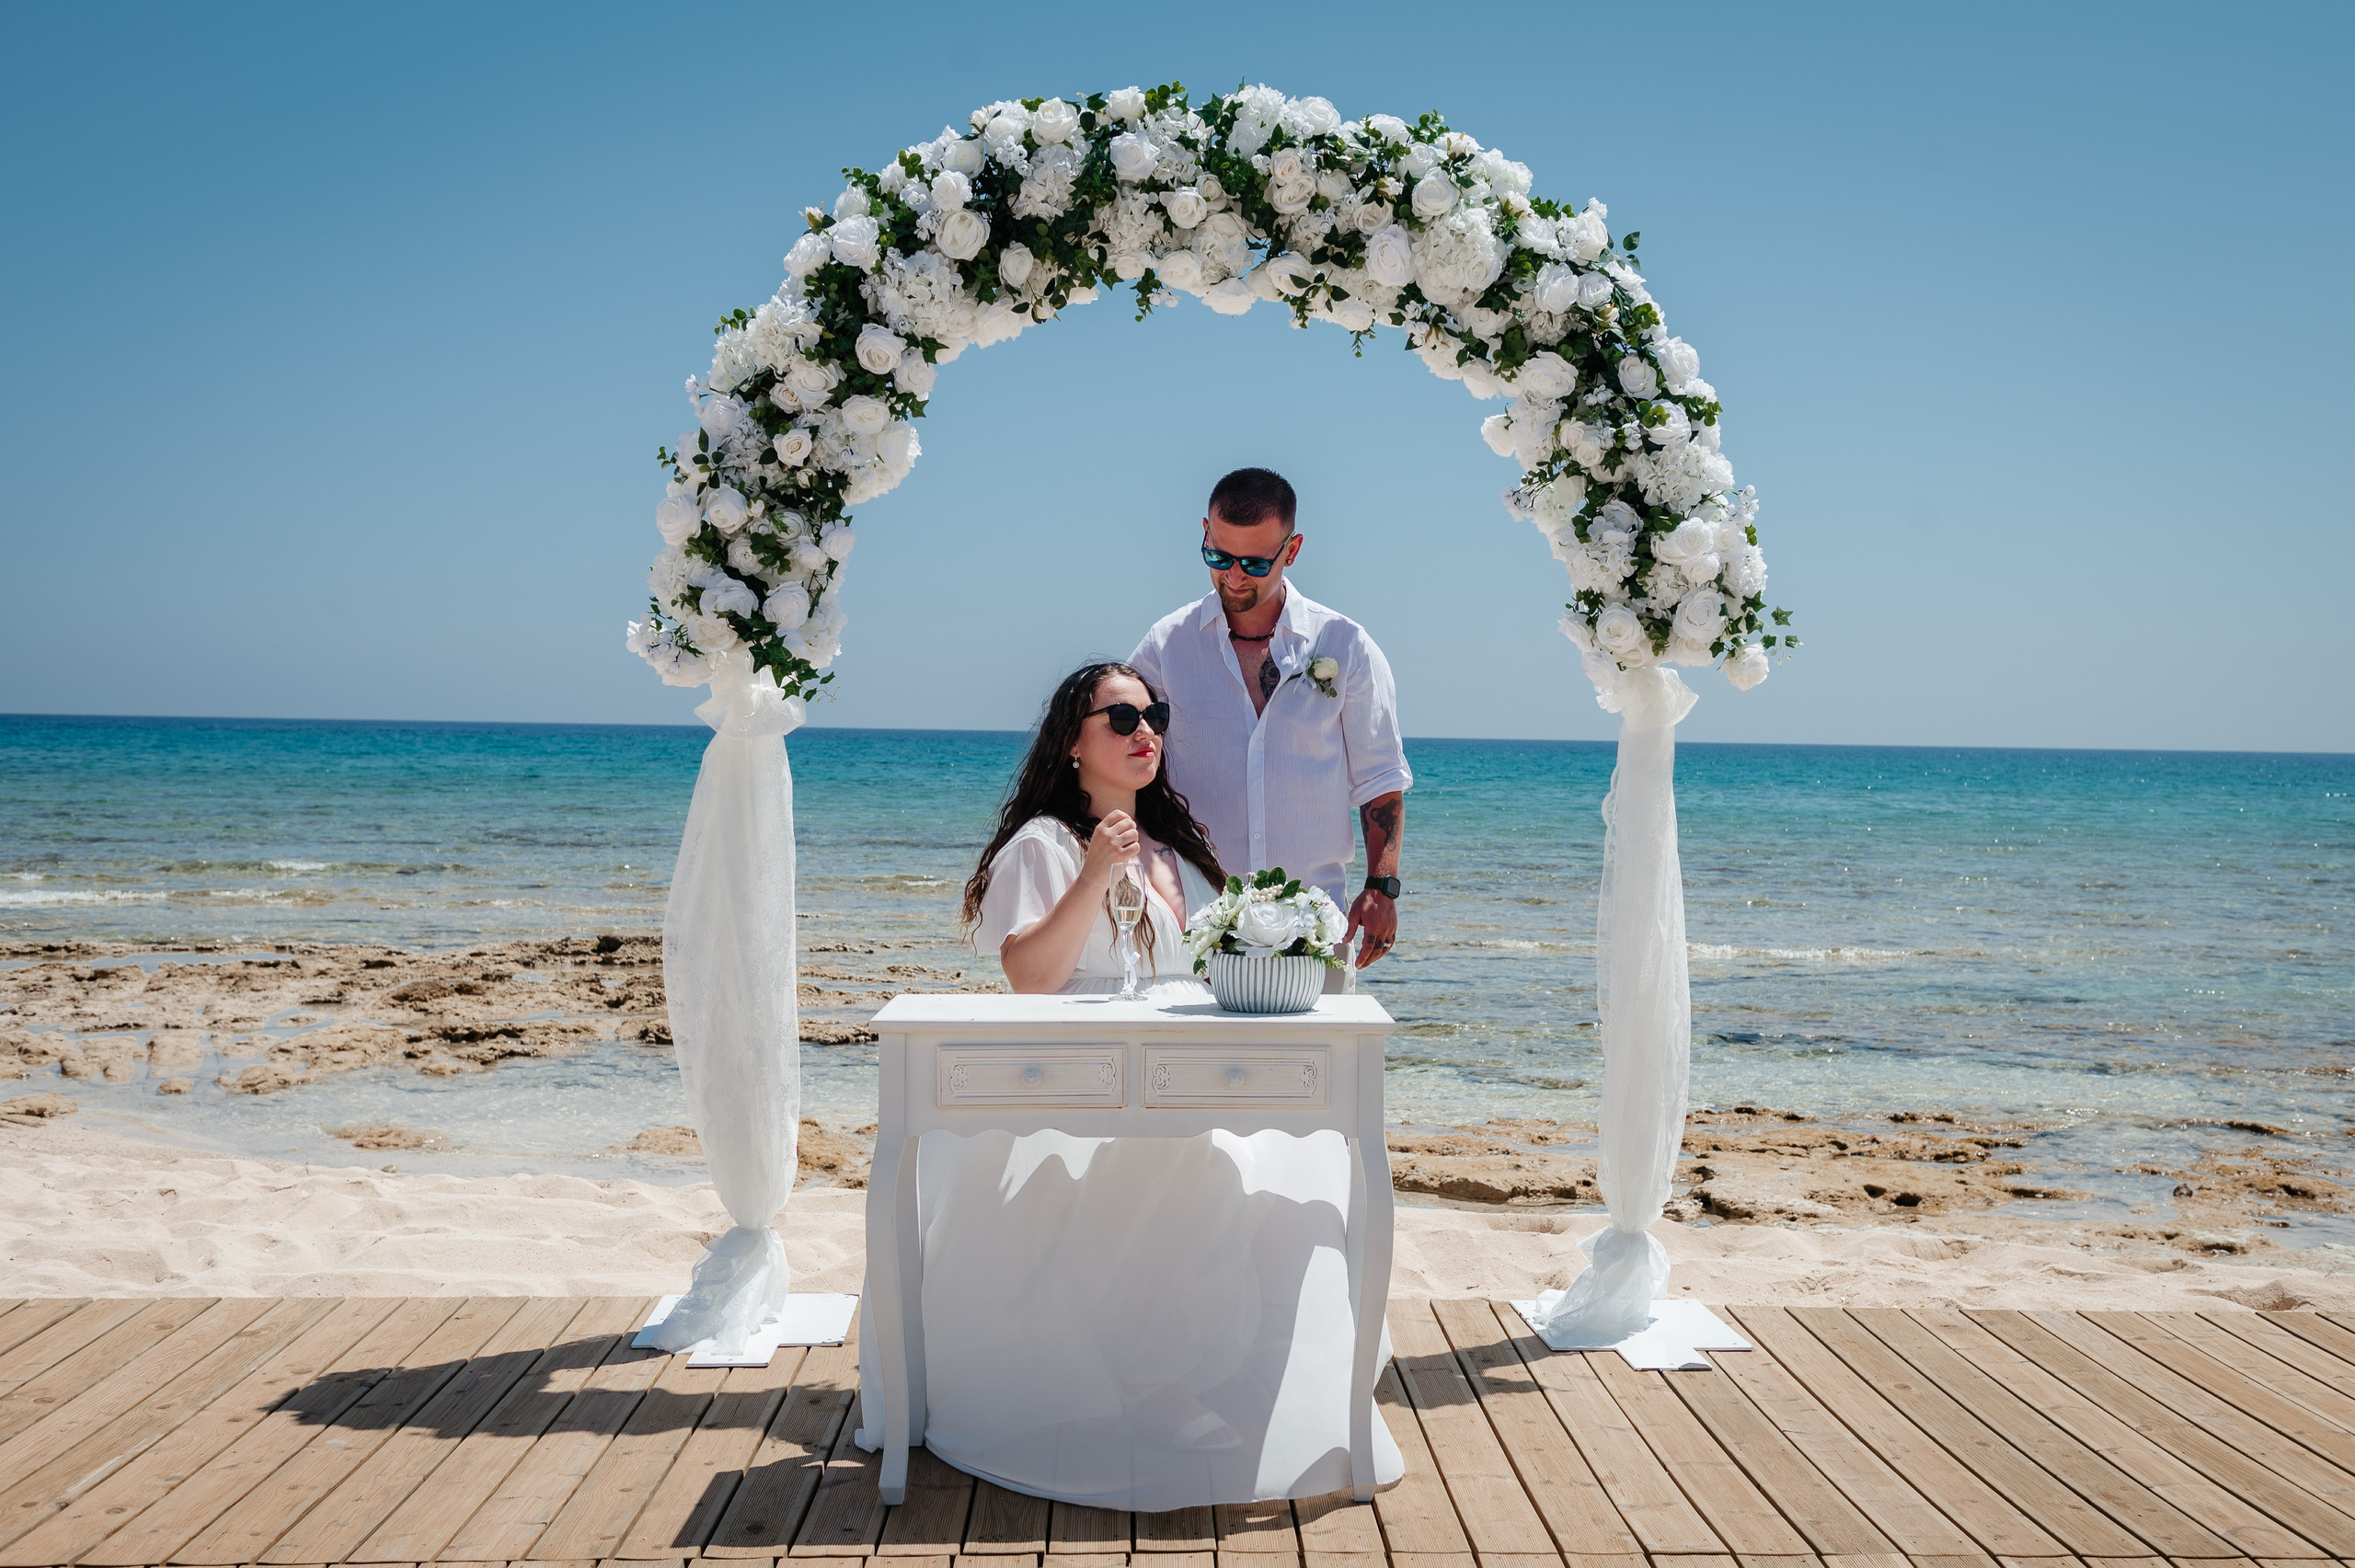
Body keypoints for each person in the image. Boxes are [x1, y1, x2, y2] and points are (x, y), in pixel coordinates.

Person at [856, 662, 1403, 1510]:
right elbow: (1031, 978)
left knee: (1309, 1170)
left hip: (1172, 1073)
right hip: (1071, 1090)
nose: (1145, 729)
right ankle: (1153, 1385)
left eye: (1156, 714)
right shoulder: (1044, 843)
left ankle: (1233, 1379)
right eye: (1120, 717)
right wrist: (1089, 873)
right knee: (1190, 1169)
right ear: (1072, 742)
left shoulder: (1172, 847)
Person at [1129, 467, 1410, 974]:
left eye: (1255, 563)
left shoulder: (1345, 646)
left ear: (1292, 550)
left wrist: (1380, 887)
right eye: (1217, 557)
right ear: (1204, 533)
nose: (1233, 577)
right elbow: (1123, 760)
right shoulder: (1166, 646)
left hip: (1315, 928)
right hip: (1193, 924)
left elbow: (1380, 782)